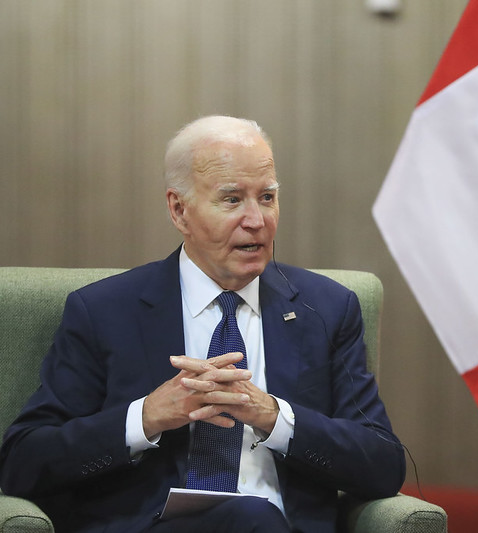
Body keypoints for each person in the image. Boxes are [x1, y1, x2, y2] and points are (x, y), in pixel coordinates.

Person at [0, 115, 406, 532]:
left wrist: (273, 417)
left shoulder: (327, 309)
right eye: (232, 200)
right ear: (179, 210)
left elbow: (382, 464)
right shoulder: (105, 310)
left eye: (267, 197)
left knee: (256, 516)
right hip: (154, 526)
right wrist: (146, 417)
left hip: (280, 525)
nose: (257, 220)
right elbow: (22, 460)